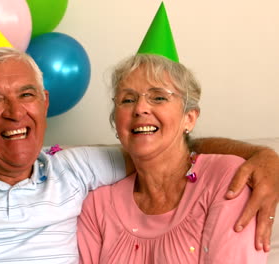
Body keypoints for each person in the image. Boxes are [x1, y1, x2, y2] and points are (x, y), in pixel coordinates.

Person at [0, 48, 278, 264]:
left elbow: (163, 148)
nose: (15, 113)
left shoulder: (73, 170)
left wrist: (263, 155)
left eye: (26, 95)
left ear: (44, 104)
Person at [77, 54, 269, 263]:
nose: (140, 108)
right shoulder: (96, 203)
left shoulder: (227, 177)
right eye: (128, 99)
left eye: (158, 97)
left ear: (189, 118)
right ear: (116, 121)